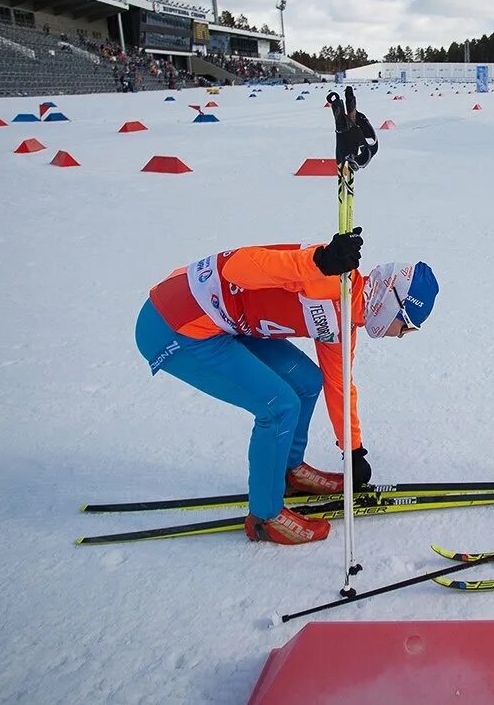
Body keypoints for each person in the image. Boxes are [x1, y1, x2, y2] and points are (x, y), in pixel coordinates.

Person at [133, 91, 441, 546]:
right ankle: (266, 516)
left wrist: (353, 449)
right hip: (177, 323)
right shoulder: (328, 274)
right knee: (278, 404)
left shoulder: (345, 311)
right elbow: (235, 266)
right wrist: (317, 262)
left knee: (307, 382)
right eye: (406, 326)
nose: (401, 336)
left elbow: (339, 385)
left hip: (223, 323)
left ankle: (290, 469)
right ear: (391, 304)